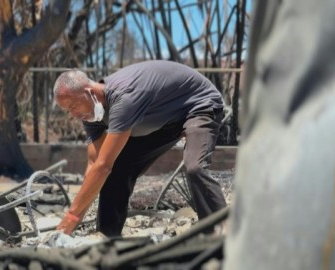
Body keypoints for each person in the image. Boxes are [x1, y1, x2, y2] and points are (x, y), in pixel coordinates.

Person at [54, 60, 227, 236]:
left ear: (89, 92)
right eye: (68, 111)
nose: (74, 115)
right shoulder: (91, 115)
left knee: (195, 167)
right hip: (167, 119)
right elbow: (94, 166)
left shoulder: (124, 98)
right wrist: (75, 218)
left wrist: (71, 217)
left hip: (199, 105)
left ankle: (222, 233)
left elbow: (103, 165)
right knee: (118, 168)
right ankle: (106, 239)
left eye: (74, 106)